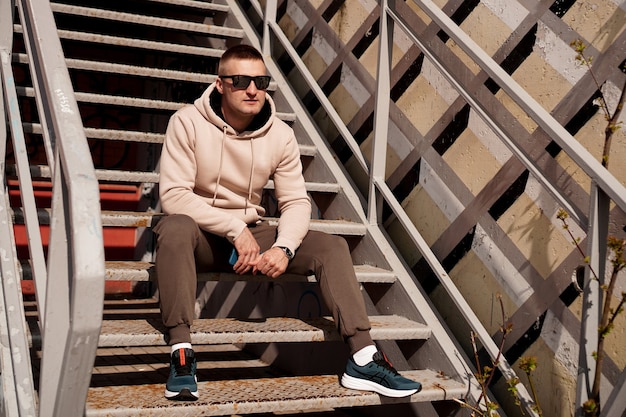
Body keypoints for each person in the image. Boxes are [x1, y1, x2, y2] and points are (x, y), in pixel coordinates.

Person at [154, 44, 421, 401]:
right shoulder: (186, 122)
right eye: (241, 81)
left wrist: (284, 246)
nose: (252, 90)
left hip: (251, 235)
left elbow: (295, 201)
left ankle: (362, 357)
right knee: (174, 228)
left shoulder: (280, 134)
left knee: (331, 246)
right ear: (220, 84)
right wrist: (234, 230)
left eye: (261, 81)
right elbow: (173, 195)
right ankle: (181, 353)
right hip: (200, 237)